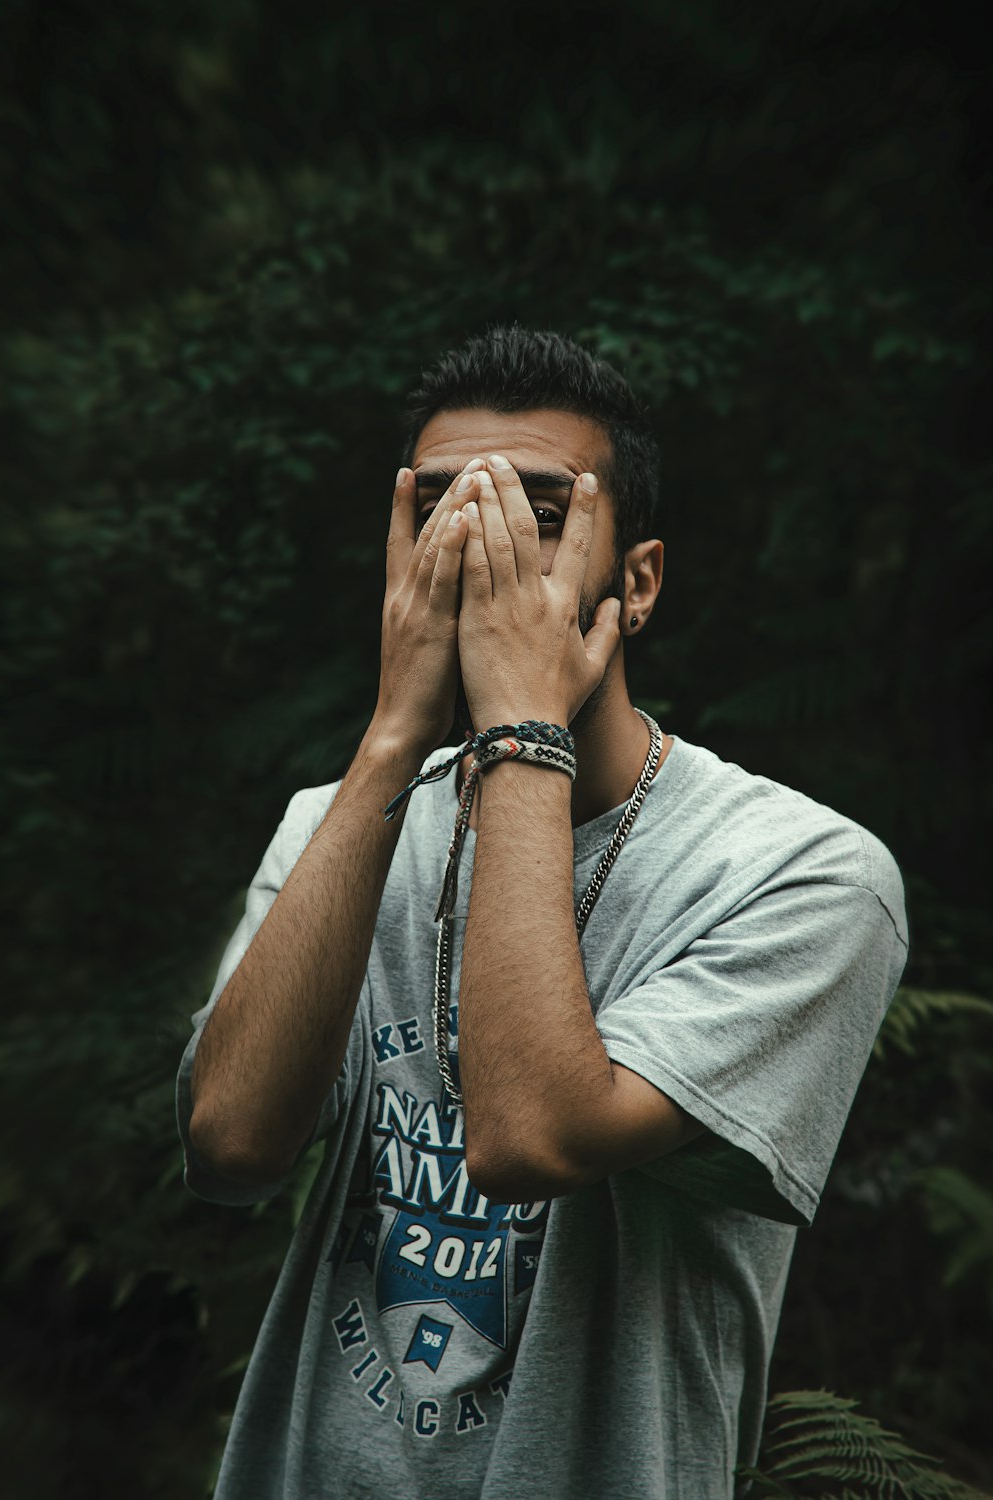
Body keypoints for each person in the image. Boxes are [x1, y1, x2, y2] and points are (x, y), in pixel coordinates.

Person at [177, 326, 908, 1499]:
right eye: (442, 510)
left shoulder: (801, 872)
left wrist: (520, 730)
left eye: (541, 511)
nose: (485, 549)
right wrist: (387, 746)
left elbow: (530, 1140)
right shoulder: (341, 823)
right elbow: (229, 1147)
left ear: (640, 580)